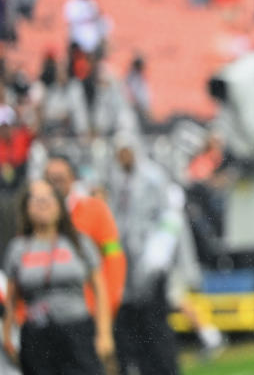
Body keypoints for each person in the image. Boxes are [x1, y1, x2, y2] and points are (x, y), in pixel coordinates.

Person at [2, 179, 113, 374]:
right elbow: (11, 299)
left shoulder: (78, 242)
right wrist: (8, 336)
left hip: (77, 332)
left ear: (59, 206)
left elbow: (100, 289)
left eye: (48, 199)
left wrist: (104, 333)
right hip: (37, 337)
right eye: (36, 200)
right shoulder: (18, 248)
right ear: (26, 208)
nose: (43, 204)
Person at [105, 135, 182, 375]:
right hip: (124, 267)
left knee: (155, 324)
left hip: (150, 264)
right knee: (130, 326)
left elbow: (168, 218)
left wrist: (158, 255)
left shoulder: (153, 177)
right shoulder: (116, 179)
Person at [43, 154, 127, 317]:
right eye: (50, 179)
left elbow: (113, 255)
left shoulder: (94, 210)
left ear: (72, 178)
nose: (55, 185)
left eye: (60, 178)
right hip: (46, 312)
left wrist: (108, 303)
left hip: (86, 308)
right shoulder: (36, 214)